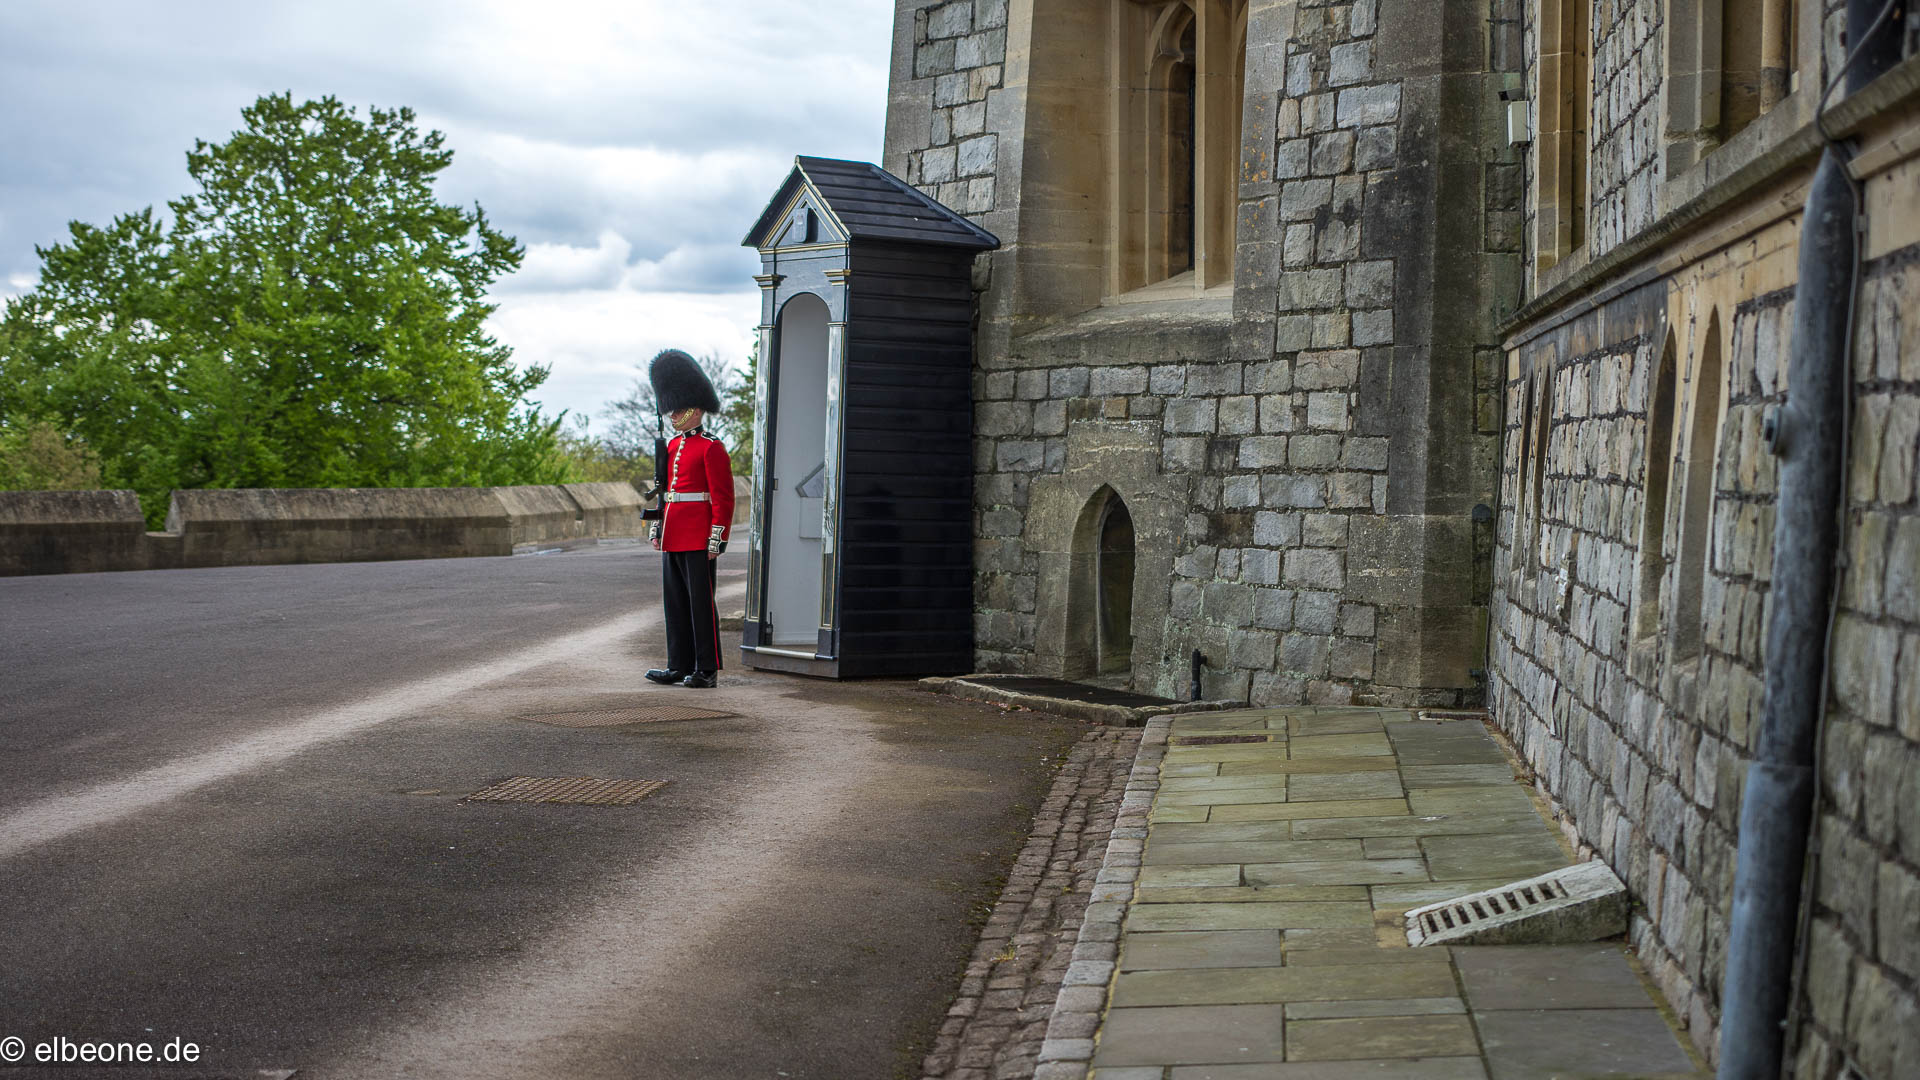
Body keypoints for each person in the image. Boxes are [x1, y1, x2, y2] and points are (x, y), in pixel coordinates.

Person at [643, 349, 736, 688]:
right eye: (672, 410)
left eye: (679, 410)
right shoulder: (671, 447)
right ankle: (678, 664)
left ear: (695, 410)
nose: (674, 415)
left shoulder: (711, 448)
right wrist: (658, 526)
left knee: (700, 604)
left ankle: (706, 669)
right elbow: (665, 492)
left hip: (698, 534)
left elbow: (722, 498)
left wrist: (717, 537)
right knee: (676, 604)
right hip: (675, 531)